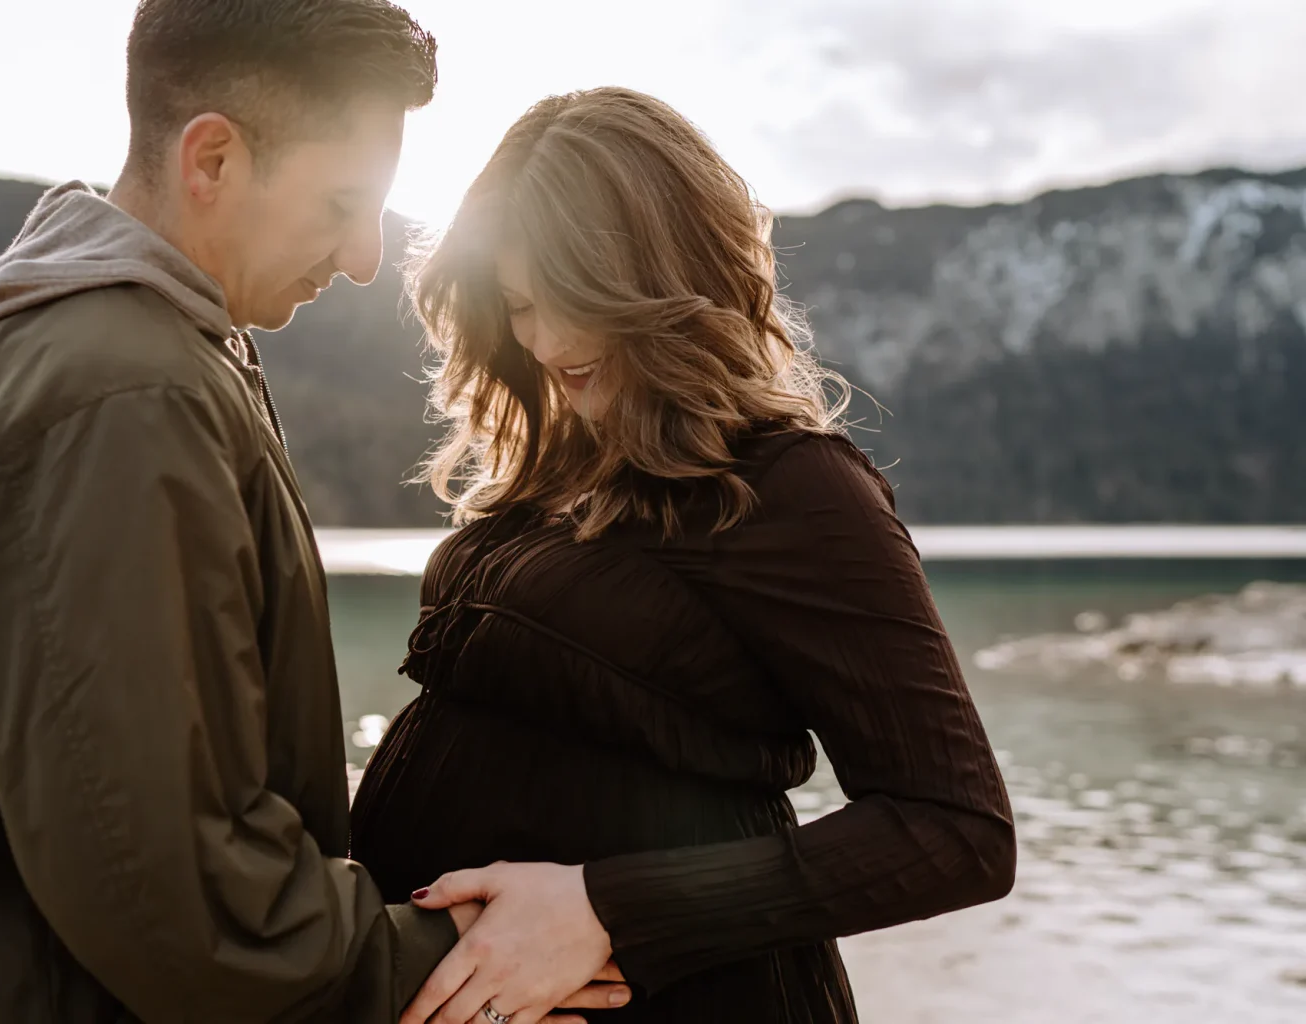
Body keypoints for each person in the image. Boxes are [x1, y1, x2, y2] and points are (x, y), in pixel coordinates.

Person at [0, 3, 628, 1022]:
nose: (363, 256)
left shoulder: (145, 353)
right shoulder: (121, 394)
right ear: (213, 158)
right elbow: (165, 887)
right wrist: (459, 957)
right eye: (343, 204)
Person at [349, 87, 1018, 1024]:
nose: (540, 341)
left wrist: (607, 909)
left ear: (657, 275)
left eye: (566, 298)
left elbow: (959, 832)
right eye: (517, 304)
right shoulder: (558, 470)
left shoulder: (791, 485)